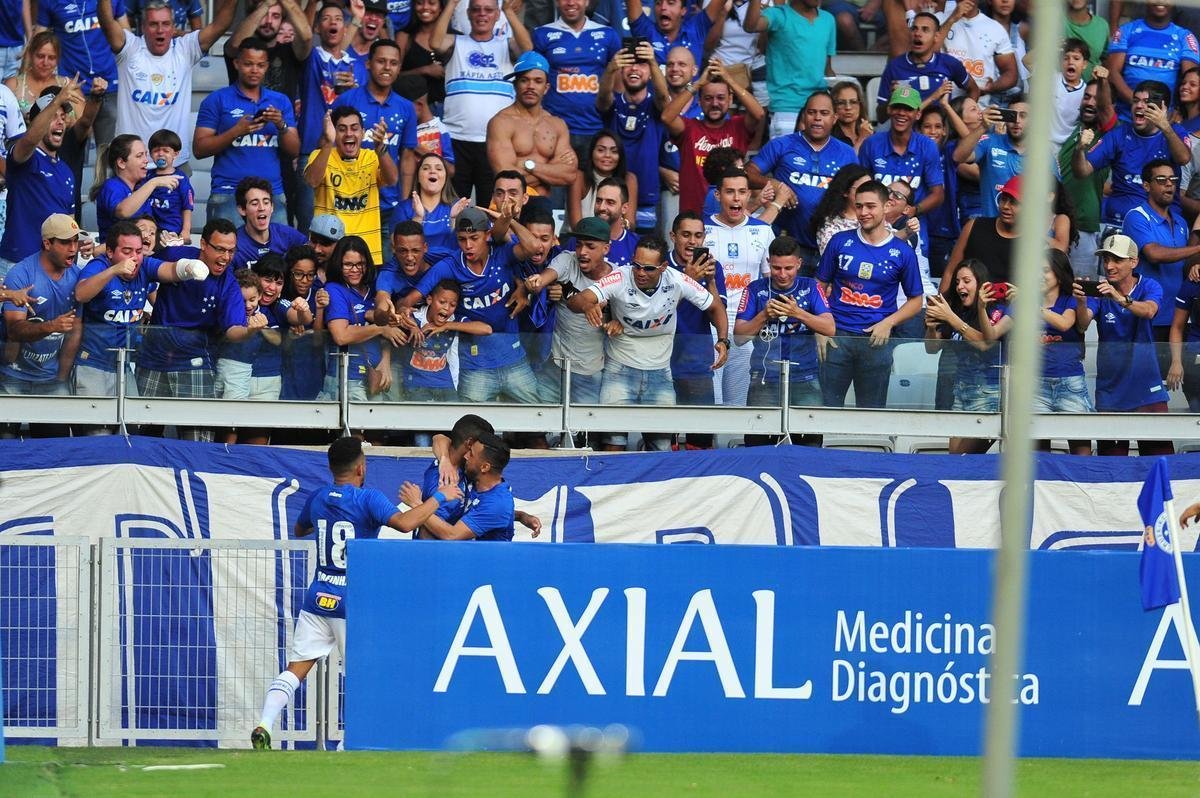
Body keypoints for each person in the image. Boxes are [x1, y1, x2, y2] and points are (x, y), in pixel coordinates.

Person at [250, 435, 462, 750]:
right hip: (353, 600)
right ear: (361, 468)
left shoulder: (319, 497)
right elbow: (404, 524)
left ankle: (264, 723)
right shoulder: (368, 499)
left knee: (297, 667)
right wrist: (439, 498)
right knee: (363, 675)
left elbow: (300, 528)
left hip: (318, 598)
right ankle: (346, 744)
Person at [574, 235, 730, 451]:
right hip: (619, 368)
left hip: (660, 372)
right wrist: (587, 305)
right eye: (636, 266)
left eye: (648, 268)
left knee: (661, 447)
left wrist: (723, 340)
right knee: (613, 443)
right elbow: (580, 298)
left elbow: (715, 307)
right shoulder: (620, 276)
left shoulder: (677, 280)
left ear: (663, 267)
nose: (640, 273)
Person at [398, 206, 541, 403]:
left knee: (537, 422)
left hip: (513, 358)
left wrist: (508, 219)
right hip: (475, 366)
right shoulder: (450, 266)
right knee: (471, 429)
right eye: (462, 239)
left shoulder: (501, 254)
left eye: (474, 238)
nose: (468, 245)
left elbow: (534, 247)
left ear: (487, 235)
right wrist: (407, 316)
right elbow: (407, 301)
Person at [136, 218, 253, 442]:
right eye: (219, 249)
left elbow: (233, 330)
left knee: (197, 440)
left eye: (231, 251)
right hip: (153, 358)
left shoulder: (228, 283)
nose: (226, 257)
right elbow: (141, 267)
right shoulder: (175, 255)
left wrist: (251, 330)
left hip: (194, 363)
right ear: (203, 244)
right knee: (141, 433)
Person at [73, 219, 211, 397]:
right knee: (96, 424)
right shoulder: (99, 266)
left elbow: (169, 269)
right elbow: (81, 294)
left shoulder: (144, 265)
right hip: (92, 363)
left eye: (138, 251)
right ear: (109, 251)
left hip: (123, 365)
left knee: (132, 422)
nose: (134, 257)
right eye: (126, 251)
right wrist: (114, 270)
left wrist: (189, 267)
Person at [817, 179, 924, 409]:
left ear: (886, 207)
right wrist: (820, 327)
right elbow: (819, 285)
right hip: (837, 336)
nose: (863, 212)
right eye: (859, 206)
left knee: (871, 414)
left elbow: (917, 301)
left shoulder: (902, 252)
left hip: (877, 340)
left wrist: (889, 322)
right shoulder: (839, 241)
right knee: (824, 411)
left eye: (870, 206)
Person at [97, 0, 236, 173]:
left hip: (175, 165)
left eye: (166, 24)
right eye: (153, 24)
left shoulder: (185, 50)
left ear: (173, 27)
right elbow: (106, 22)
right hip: (131, 166)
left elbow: (221, 24)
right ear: (143, 26)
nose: (160, 30)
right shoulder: (131, 48)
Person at [1074, 233, 1173, 457]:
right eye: (1106, 259)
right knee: (1111, 466)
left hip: (1147, 387)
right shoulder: (1100, 291)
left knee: (1160, 461)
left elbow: (1149, 311)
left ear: (1133, 262)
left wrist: (1119, 299)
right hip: (1111, 390)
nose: (1109, 266)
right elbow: (1082, 325)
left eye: (1117, 259)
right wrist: (1080, 302)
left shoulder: (1149, 285)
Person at [735, 234, 833, 447]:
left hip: (805, 376)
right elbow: (739, 337)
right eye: (777, 268)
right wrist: (763, 315)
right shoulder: (755, 289)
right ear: (769, 262)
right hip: (764, 378)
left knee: (810, 446)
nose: (782, 274)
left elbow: (830, 328)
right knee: (758, 445)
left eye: (789, 268)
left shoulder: (811, 287)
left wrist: (797, 312)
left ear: (799, 263)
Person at [433, 0, 531, 204]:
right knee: (455, 206)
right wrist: (451, 5)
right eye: (476, 9)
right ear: (468, 14)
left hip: (496, 143)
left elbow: (528, 49)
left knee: (492, 207)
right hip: (456, 139)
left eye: (488, 10)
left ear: (496, 15)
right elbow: (434, 42)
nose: (482, 14)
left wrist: (508, 12)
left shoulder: (506, 44)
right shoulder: (456, 42)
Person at [195, 36, 299, 225]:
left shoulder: (280, 101)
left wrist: (280, 124)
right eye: (248, 64)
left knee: (276, 255)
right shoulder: (217, 99)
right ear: (236, 63)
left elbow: (294, 151)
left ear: (267, 66)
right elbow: (199, 149)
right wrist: (235, 131)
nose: (254, 70)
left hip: (271, 194)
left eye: (260, 65)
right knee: (225, 254)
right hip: (228, 192)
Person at [748, 91, 857, 268]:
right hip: (788, 246)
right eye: (812, 112)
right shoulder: (781, 145)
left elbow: (860, 192)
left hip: (831, 247)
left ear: (834, 118)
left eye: (824, 113)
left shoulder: (847, 153)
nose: (817, 118)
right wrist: (776, 185)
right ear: (804, 115)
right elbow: (747, 173)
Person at [333, 38, 419, 254]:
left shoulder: (406, 107)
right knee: (348, 265)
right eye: (381, 61)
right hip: (350, 203)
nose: (387, 67)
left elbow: (407, 156)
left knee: (385, 268)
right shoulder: (347, 100)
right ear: (368, 64)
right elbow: (328, 146)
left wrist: (403, 201)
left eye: (393, 63)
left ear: (399, 68)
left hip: (388, 205)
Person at [35, 0, 126, 196]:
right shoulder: (49, 2)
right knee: (70, 154)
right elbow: (39, 37)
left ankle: (110, 202)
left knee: (110, 153)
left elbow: (125, 36)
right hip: (73, 88)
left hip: (108, 82)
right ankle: (68, 201)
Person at [1074, 80, 1190, 230]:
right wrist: (1079, 149)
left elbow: (1184, 159)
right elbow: (1082, 171)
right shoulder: (1119, 135)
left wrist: (1166, 128)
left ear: (1163, 108)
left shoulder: (1175, 132)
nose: (1139, 106)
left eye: (1146, 102)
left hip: (1160, 224)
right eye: (1136, 101)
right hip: (1117, 223)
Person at [523, 216, 612, 404]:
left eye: (590, 246)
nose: (582, 252)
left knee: (585, 431)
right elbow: (545, 278)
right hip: (555, 366)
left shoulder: (617, 278)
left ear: (606, 248)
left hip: (591, 372)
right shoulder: (566, 259)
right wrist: (536, 283)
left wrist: (617, 322)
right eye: (579, 245)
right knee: (540, 424)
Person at [703, 168, 773, 408]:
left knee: (737, 403)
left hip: (746, 327)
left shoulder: (763, 231)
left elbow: (771, 284)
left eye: (742, 192)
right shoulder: (701, 231)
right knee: (712, 401)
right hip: (710, 326)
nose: (736, 198)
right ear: (717, 195)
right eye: (730, 192)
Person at [923, 258, 1006, 453]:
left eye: (966, 281)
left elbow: (984, 343)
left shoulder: (995, 309)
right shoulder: (956, 310)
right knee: (955, 457)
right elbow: (931, 348)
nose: (960, 286)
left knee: (964, 456)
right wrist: (931, 327)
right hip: (961, 389)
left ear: (981, 283)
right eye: (957, 282)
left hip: (989, 392)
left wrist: (950, 317)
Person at [293, 1, 363, 232]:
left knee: (345, 224)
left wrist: (353, 92)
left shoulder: (356, 65)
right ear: (316, 28)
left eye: (338, 19)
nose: (332, 22)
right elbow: (303, 33)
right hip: (313, 150)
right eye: (326, 18)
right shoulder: (311, 57)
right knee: (309, 224)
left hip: (347, 156)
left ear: (345, 28)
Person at [661, 59, 763, 215]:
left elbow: (759, 113)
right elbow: (666, 117)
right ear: (700, 101)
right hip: (693, 218)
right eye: (708, 98)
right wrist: (697, 84)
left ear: (730, 100)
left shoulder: (738, 127)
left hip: (729, 217)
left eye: (721, 98)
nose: (715, 103)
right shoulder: (689, 128)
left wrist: (728, 79)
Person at [0, 80, 80, 274]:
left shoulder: (66, 171)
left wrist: (79, 242)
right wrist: (56, 100)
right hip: (17, 264)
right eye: (52, 116)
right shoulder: (26, 156)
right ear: (37, 122)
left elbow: (70, 222)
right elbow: (29, 140)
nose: (60, 121)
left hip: (53, 269)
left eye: (63, 116)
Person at [858, 86, 945, 261]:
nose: (901, 113)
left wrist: (914, 210)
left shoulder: (927, 146)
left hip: (912, 224)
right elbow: (860, 186)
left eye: (908, 109)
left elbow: (938, 194)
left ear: (918, 114)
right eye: (897, 107)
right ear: (889, 109)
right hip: (873, 224)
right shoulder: (872, 143)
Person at [0, 214, 83, 397]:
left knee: (57, 426)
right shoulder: (21, 274)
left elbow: (75, 332)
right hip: (13, 374)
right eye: (65, 242)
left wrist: (60, 379)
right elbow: (14, 330)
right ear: (47, 244)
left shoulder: (77, 277)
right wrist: (52, 326)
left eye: (75, 241)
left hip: (50, 379)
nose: (73, 249)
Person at [305, 106, 398, 264]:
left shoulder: (372, 158)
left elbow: (392, 180)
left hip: (366, 253)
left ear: (362, 132)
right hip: (329, 253)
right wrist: (328, 143)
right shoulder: (319, 155)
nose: (349, 133)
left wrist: (381, 149)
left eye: (354, 128)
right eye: (341, 129)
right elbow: (312, 180)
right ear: (334, 132)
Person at [319, 235, 405, 401]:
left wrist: (386, 361)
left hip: (377, 372)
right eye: (348, 265)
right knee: (355, 427)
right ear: (338, 264)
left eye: (360, 264)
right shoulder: (334, 289)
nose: (355, 269)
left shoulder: (374, 289)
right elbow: (341, 336)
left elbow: (389, 331)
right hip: (347, 376)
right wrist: (380, 328)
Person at [531, 0, 621, 156]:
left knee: (595, 180)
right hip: (555, 130)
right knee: (557, 179)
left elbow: (619, 82)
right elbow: (534, 79)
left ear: (587, 2)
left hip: (597, 128)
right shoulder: (542, 34)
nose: (571, 2)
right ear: (557, 2)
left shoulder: (608, 34)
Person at [486, 50, 578, 199]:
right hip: (510, 207)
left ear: (546, 87)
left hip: (544, 209)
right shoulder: (501, 122)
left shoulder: (557, 125)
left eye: (538, 81)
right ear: (515, 85)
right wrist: (552, 169)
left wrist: (528, 165)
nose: (531, 86)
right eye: (524, 80)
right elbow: (506, 178)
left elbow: (569, 174)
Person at [742, 0, 836, 139]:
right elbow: (751, 26)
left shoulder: (828, 19)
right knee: (787, 160)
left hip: (819, 108)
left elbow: (828, 69)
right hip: (786, 107)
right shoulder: (778, 15)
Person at [597, 40, 664, 233]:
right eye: (629, 63)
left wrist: (652, 61)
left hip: (647, 195)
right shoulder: (613, 102)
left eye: (641, 64)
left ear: (651, 72)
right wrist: (610, 69)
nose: (634, 68)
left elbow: (663, 99)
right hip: (610, 196)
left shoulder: (655, 105)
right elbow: (602, 100)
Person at [1058, 70, 1115, 279]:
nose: (1091, 102)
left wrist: (1103, 80)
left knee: (1080, 291)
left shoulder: (1109, 134)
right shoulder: (1068, 130)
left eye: (1096, 98)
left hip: (1083, 225)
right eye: (1087, 96)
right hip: (1052, 221)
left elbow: (1106, 108)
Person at [1036, 248, 1092, 456]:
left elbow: (1065, 324)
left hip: (1070, 380)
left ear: (1058, 273)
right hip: (1035, 382)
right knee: (1037, 454)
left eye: (1044, 270)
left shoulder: (1073, 299)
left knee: (1081, 452)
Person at [1106, 0, 1199, 123]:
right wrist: (1138, 102)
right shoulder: (1126, 31)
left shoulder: (1186, 37)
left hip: (1166, 121)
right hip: (1126, 119)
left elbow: (1191, 80)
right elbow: (1112, 72)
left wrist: (1178, 109)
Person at [876, 12, 977, 123]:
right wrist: (892, 98)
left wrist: (963, 120)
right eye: (914, 29)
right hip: (907, 132)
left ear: (936, 36)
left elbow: (974, 89)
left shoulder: (949, 63)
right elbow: (881, 118)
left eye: (925, 30)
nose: (918, 34)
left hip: (940, 133)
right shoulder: (894, 66)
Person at [419, 432, 518, 541]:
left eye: (471, 454)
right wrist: (444, 460)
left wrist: (416, 504)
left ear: (484, 467)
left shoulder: (498, 503)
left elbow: (451, 535)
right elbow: (439, 438)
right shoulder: (474, 479)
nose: (465, 456)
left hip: (484, 558)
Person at [952, 97, 1026, 219]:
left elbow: (1052, 195)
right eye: (1012, 115)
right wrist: (983, 127)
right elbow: (958, 157)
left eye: (1023, 116)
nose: (1017, 121)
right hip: (986, 223)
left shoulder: (1043, 154)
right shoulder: (989, 141)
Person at [225, 0, 313, 100]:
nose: (269, 21)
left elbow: (306, 37)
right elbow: (235, 45)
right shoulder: (242, 50)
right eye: (264, 14)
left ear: (282, 21)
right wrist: (266, 4)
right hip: (242, 114)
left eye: (275, 16)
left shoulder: (291, 51)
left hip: (282, 114)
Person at [936, 0, 1018, 105]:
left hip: (979, 108)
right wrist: (952, 19)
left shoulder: (995, 28)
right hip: (942, 104)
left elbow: (1011, 74)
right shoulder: (938, 19)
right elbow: (928, 51)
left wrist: (990, 87)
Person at [393, 152, 468, 266]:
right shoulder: (403, 208)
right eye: (426, 168)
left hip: (449, 268)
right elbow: (395, 246)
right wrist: (418, 217)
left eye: (438, 169)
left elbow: (467, 245)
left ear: (445, 178)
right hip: (413, 269)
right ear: (418, 176)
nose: (433, 171)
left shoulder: (458, 206)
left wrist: (454, 219)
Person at [280, 244, 327, 402]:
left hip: (315, 367)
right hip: (287, 369)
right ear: (289, 272)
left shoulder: (319, 293)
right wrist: (303, 312)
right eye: (298, 274)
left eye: (310, 275)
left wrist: (320, 309)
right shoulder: (281, 296)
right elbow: (300, 318)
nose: (305, 281)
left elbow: (318, 340)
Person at [231, 177, 308, 271]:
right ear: (242, 209)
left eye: (266, 202)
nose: (262, 208)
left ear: (272, 207)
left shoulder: (287, 235)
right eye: (255, 204)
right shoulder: (234, 244)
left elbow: (311, 254)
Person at [567, 131, 637, 231]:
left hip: (614, 239)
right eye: (601, 150)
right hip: (579, 239)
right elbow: (576, 225)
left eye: (614, 151)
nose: (607, 155)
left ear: (620, 155)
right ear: (591, 152)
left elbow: (630, 223)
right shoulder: (578, 177)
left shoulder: (629, 179)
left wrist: (622, 228)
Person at [626, 0, 723, 67]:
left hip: (690, 96)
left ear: (683, 10)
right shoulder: (644, 30)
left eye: (670, 3)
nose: (663, 7)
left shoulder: (697, 28)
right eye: (658, 3)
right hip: (655, 97)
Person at [140, 128, 193, 241]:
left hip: (173, 232)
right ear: (150, 154)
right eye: (156, 151)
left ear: (176, 154)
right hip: (149, 233)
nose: (160, 154)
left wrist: (186, 230)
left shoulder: (181, 178)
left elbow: (187, 206)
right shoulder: (146, 176)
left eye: (166, 151)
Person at [811, 163, 871, 256]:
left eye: (871, 188)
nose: (868, 193)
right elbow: (833, 258)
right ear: (845, 191)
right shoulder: (831, 224)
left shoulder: (877, 216)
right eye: (862, 188)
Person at [396, 0, 446, 108]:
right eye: (419, 3)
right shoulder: (405, 37)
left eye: (431, 3)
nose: (425, 7)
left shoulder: (454, 37)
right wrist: (424, 70)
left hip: (450, 109)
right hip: (414, 109)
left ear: (441, 7)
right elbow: (393, 76)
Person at [589, 177, 640, 268]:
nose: (601, 207)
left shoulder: (637, 245)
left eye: (610, 202)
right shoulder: (578, 240)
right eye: (598, 201)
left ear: (624, 208)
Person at [1052, 38, 1090, 148]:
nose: (1070, 62)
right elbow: (1027, 62)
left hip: (1069, 147)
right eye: (1065, 58)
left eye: (1076, 58)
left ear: (1085, 64)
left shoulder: (1087, 92)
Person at [831, 80, 873, 152]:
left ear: (860, 105)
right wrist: (861, 139)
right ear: (833, 106)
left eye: (853, 102)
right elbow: (847, 162)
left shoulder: (868, 132)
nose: (848, 107)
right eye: (841, 103)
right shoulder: (829, 137)